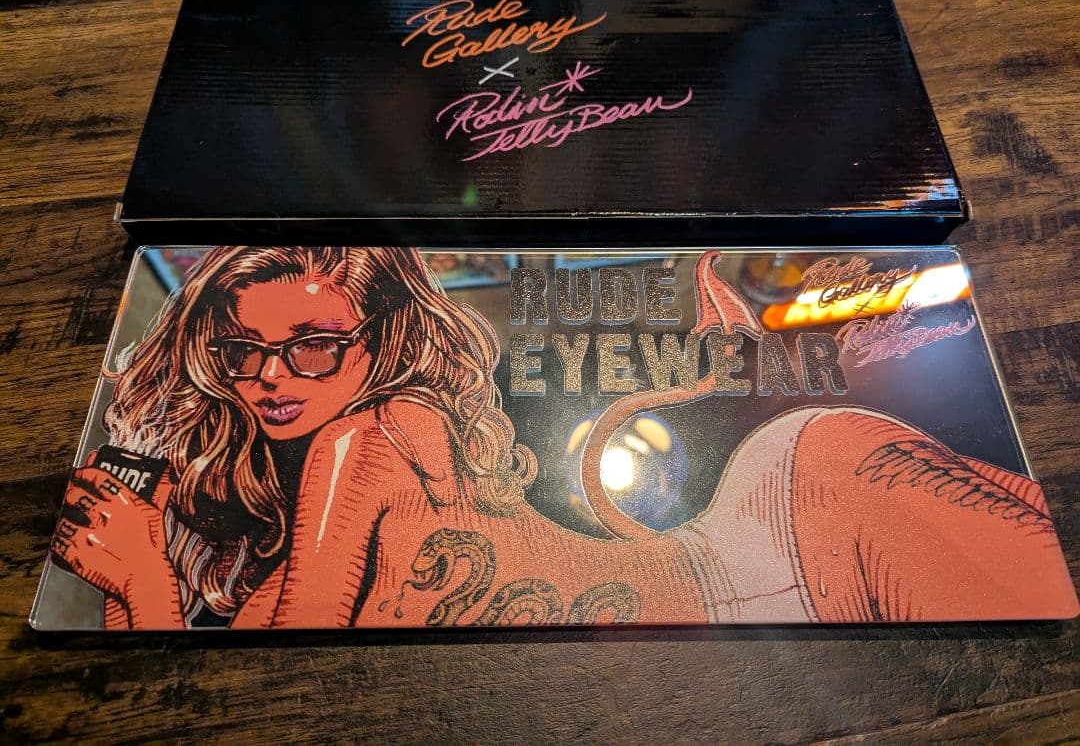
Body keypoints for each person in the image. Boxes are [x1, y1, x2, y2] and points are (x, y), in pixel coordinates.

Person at [50, 248, 1078, 628]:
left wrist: (142, 579)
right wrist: (141, 580)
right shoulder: (278, 503)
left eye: (315, 345)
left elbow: (284, 660)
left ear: (382, 338)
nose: (273, 378)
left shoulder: (370, 438)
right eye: (243, 352)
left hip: (804, 525)